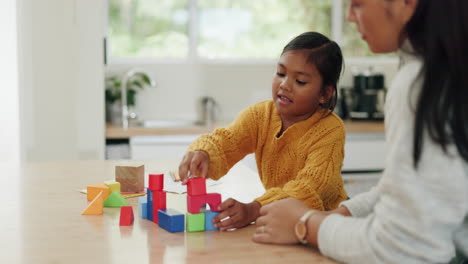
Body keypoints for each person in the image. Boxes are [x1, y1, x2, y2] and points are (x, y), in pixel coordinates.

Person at [252, 0, 468, 263]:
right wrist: (341, 214)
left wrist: (305, 224)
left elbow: (402, 248)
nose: (351, 17)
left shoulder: (424, 84)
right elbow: (411, 189)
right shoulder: (446, 68)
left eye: (358, 4)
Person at [178, 32, 348, 231]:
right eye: (281, 73)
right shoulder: (261, 115)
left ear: (324, 94)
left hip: (325, 224)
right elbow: (227, 142)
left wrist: (255, 209)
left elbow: (308, 188)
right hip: (279, 220)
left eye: (300, 81)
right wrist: (204, 153)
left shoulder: (330, 130)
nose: (284, 85)